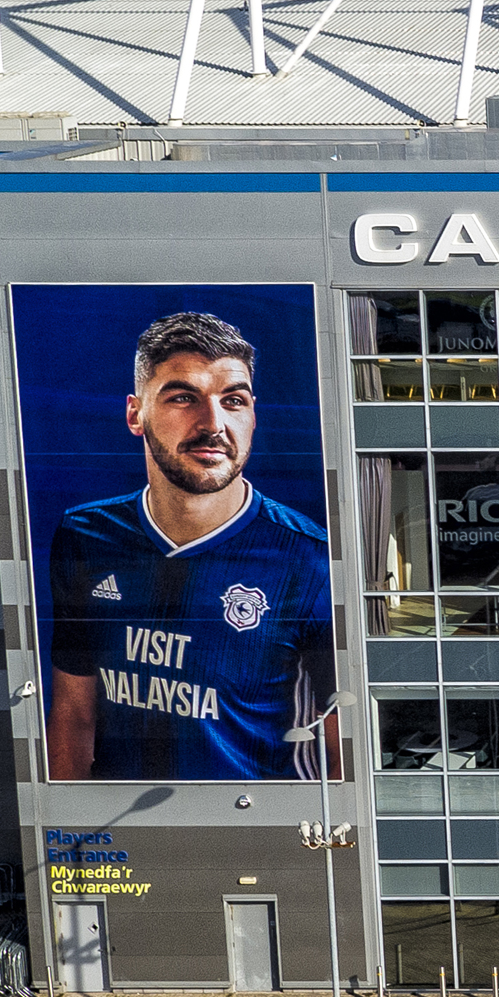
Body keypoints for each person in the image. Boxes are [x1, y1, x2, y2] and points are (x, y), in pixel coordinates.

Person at [44, 312, 335, 781]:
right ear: (136, 414)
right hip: (121, 833)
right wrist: (67, 833)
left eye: (234, 400)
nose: (213, 423)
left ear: (254, 414)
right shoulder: (85, 535)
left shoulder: (309, 555)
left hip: (255, 831)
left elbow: (341, 733)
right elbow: (75, 710)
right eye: (184, 397)